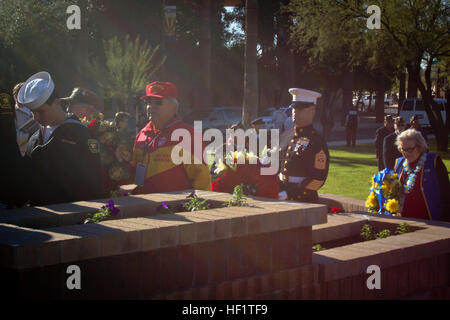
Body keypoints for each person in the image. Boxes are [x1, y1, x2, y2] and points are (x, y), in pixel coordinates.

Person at [17, 71, 106, 206]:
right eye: (33, 113)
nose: (36, 118)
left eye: (41, 111)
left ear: (57, 103)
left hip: (73, 218)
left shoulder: (81, 134)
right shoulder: (34, 137)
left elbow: (93, 183)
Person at [130, 81, 211, 194]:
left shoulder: (188, 135)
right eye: (148, 102)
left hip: (175, 208)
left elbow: (202, 181)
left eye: (158, 102)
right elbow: (133, 173)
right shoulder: (142, 134)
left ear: (173, 107)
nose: (151, 106)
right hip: (143, 207)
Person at [278, 88, 329, 203]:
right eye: (294, 108)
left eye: (300, 108)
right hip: (279, 195)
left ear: (312, 111)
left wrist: (290, 193)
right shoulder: (286, 135)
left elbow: (317, 179)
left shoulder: (316, 141)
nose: (295, 111)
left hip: (304, 200)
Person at [394, 129, 449, 222]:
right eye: (403, 149)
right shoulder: (399, 163)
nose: (406, 153)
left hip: (431, 220)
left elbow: (446, 193)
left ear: (419, 146)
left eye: (410, 149)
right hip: (404, 219)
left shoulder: (434, 162)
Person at [13, 82, 38, 156]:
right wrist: (29, 135)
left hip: (38, 149)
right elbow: (13, 135)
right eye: (16, 95)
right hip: (23, 153)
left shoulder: (35, 107)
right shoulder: (12, 112)